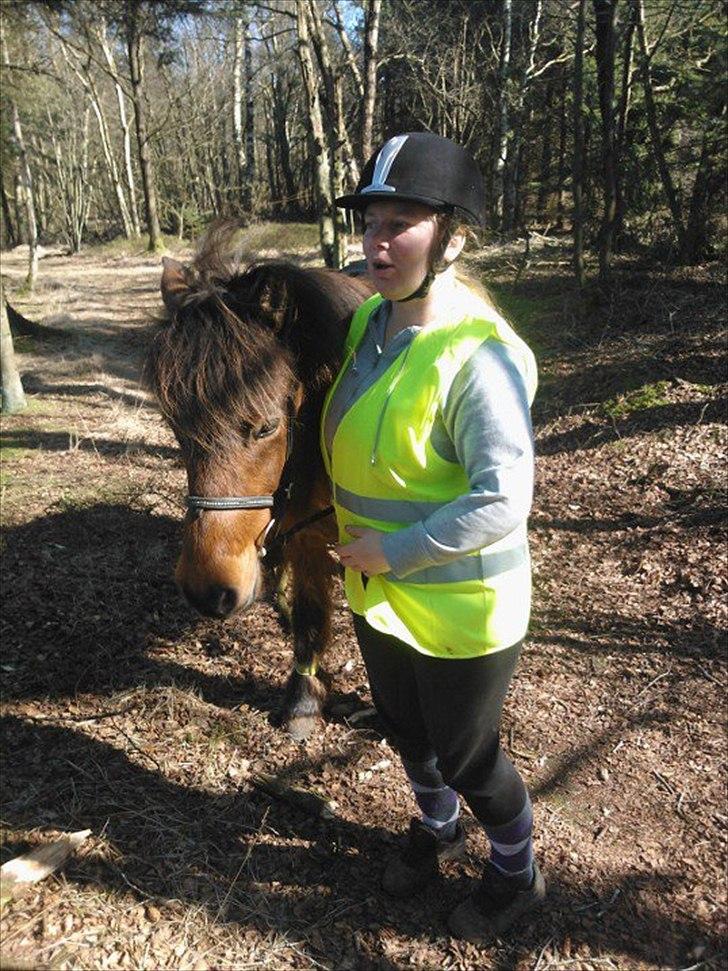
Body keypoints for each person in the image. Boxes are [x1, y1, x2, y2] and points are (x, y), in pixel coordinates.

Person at [319, 131, 544, 942]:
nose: (376, 241)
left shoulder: (477, 357)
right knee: (405, 731)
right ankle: (439, 827)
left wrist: (395, 550)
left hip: (462, 606)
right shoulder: (369, 327)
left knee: (468, 754)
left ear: (453, 235)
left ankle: (517, 870)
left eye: (400, 222)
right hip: (378, 591)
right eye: (370, 220)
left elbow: (503, 500)